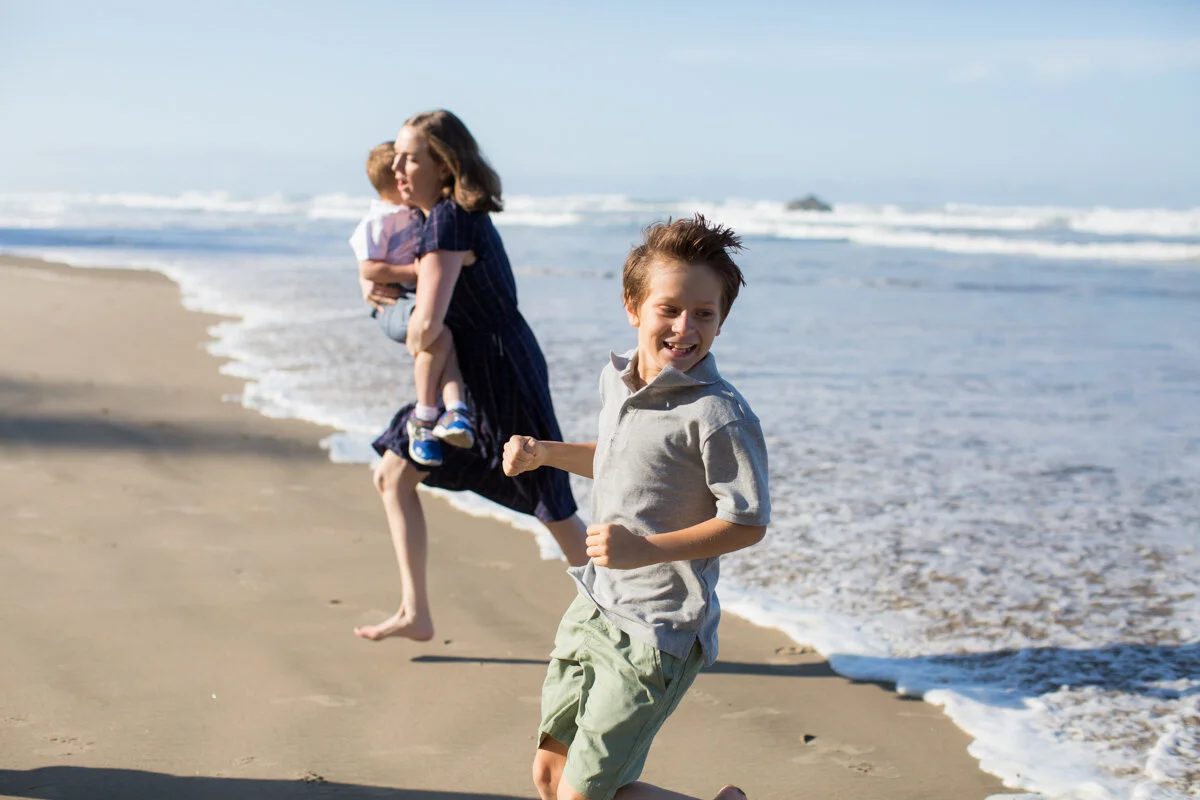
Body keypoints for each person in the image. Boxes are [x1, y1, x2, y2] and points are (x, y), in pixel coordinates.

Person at [503, 215, 771, 800]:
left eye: (704, 314)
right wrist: (545, 452)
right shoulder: (617, 382)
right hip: (594, 602)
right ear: (634, 306)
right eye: (669, 309)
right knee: (551, 775)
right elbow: (621, 460)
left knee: (585, 794)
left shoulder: (718, 414)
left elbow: (747, 521)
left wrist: (642, 549)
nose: (684, 327)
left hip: (659, 630)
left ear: (721, 321)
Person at [354, 110, 589, 643]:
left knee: (552, 503)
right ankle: (416, 614)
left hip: (502, 371)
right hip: (470, 375)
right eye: (397, 158)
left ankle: (627, 614)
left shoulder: (450, 220)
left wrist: (385, 300)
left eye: (411, 158)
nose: (398, 169)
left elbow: (423, 331)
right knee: (394, 474)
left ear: (444, 164)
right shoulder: (439, 218)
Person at [349, 141, 474, 467]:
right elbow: (369, 268)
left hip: (411, 299)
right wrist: (415, 270)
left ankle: (455, 412)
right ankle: (424, 419)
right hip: (391, 305)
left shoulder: (414, 212)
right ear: (392, 183)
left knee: (444, 344)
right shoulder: (378, 220)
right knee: (438, 337)